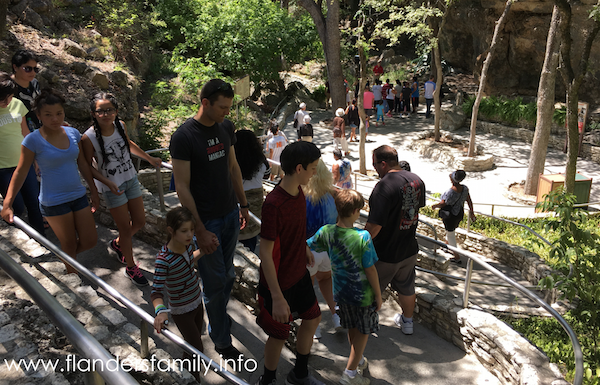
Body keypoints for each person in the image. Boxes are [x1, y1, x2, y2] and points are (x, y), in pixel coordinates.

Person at [169, 78, 250, 360]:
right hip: (208, 221)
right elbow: (182, 187)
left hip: (229, 213)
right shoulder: (184, 137)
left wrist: (243, 204)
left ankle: (215, 315)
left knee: (226, 275)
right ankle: (221, 339)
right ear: (205, 103)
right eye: (222, 108)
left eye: (229, 108)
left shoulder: (226, 127)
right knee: (216, 282)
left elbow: (232, 167)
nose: (226, 113)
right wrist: (199, 230)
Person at [1, 89, 99, 274]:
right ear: (38, 115)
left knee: (89, 240)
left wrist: (94, 191)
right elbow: (21, 172)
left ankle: (65, 259)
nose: (55, 119)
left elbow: (84, 165)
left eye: (59, 114)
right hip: (54, 201)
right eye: (48, 115)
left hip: (78, 195)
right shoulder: (32, 140)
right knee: (69, 244)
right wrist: (7, 203)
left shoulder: (72, 134)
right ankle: (73, 279)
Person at [255, 141, 324, 385]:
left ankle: (300, 372)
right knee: (278, 335)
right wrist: (276, 296)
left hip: (299, 274)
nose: (315, 172)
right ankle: (269, 379)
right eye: (313, 167)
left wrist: (304, 247)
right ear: (299, 168)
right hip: (279, 283)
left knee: (313, 317)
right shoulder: (274, 204)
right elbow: (265, 252)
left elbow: (294, 229)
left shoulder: (298, 191)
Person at [82, 93, 161, 286]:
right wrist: (102, 186)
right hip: (112, 186)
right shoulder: (88, 137)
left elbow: (128, 144)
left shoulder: (121, 125)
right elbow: (87, 166)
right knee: (125, 228)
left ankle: (118, 244)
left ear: (116, 111)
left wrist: (149, 159)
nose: (106, 114)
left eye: (110, 110)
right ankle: (131, 266)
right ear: (94, 114)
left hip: (130, 179)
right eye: (101, 111)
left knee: (140, 221)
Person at [307, 189, 382, 385]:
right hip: (363, 295)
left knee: (351, 326)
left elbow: (308, 244)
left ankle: (358, 360)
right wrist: (379, 295)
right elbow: (370, 270)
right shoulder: (363, 237)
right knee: (364, 330)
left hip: (341, 292)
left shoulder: (326, 231)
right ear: (356, 211)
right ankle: (349, 374)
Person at [365, 145, 425, 336]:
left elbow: (374, 226)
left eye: (374, 164)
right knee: (407, 286)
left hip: (385, 252)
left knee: (371, 289)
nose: (374, 168)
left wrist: (359, 243)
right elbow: (416, 208)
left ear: (383, 164)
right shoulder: (417, 180)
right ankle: (408, 322)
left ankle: (365, 324)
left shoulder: (384, 186)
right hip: (409, 248)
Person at [151, 206, 208, 382]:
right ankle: (194, 379)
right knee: (197, 349)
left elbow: (189, 260)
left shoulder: (187, 246)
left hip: (197, 302)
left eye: (191, 229)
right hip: (182, 311)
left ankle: (185, 376)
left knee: (192, 345)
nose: (190, 234)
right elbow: (156, 291)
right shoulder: (164, 260)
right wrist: (160, 311)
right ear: (171, 231)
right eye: (184, 231)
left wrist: (205, 250)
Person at [0, 72, 45, 235]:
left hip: (23, 164)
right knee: (16, 206)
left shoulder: (18, 104)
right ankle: (19, 238)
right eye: (2, 99)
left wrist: (35, 158)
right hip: (3, 169)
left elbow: (26, 133)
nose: (6, 102)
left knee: (34, 202)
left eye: (9, 97)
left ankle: (41, 240)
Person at [302, 159, 341, 339]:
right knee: (326, 280)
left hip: (308, 250)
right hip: (329, 249)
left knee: (308, 290)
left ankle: (313, 326)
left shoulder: (300, 196)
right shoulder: (332, 195)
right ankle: (336, 315)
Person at [235, 129, 269, 252]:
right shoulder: (261, 161)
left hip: (237, 198)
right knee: (253, 229)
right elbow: (266, 175)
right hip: (256, 200)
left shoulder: (232, 163)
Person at [431, 170, 476, 264]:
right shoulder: (465, 189)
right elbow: (469, 200)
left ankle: (457, 256)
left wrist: (435, 206)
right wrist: (471, 212)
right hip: (459, 213)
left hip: (450, 215)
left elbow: (443, 203)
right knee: (450, 231)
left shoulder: (451, 192)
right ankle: (446, 246)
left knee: (450, 234)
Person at [11, 50, 41, 132]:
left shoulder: (35, 83)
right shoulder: (8, 88)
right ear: (15, 67)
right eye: (28, 69)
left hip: (40, 127)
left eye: (35, 69)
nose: (33, 72)